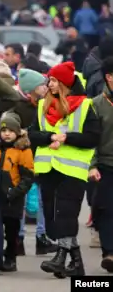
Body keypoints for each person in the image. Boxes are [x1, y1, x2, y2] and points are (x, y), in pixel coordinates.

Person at [29, 61, 100, 278]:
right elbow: (32, 133)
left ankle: (60, 257)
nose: (49, 84)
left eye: (53, 80)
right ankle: (76, 261)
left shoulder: (86, 106)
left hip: (73, 170)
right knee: (52, 218)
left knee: (66, 215)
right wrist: (50, 137)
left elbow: (92, 137)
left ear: (65, 84)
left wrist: (67, 138)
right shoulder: (43, 105)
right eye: (49, 80)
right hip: (48, 169)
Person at [7, 69, 58, 256]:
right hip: (28, 157)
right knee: (30, 198)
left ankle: (30, 237)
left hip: (38, 157)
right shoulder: (25, 108)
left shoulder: (39, 105)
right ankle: (31, 237)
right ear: (31, 90)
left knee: (35, 198)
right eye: (41, 85)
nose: (45, 87)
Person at [0, 113, 34, 272]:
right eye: (4, 130)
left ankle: (11, 257)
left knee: (12, 229)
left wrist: (15, 192)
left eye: (11, 131)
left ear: (17, 132)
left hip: (13, 196)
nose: (7, 134)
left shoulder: (23, 151)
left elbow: (27, 177)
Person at [89, 56, 113, 272]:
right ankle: (109, 253)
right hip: (105, 166)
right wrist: (92, 165)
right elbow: (91, 140)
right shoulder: (96, 105)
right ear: (109, 78)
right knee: (106, 211)